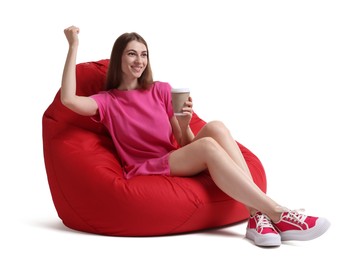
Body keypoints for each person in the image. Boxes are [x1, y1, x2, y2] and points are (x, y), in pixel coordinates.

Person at [60, 25, 330, 247]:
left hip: (173, 158)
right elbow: (69, 99)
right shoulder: (107, 101)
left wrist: (184, 121)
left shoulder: (162, 90)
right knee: (210, 146)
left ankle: (256, 216)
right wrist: (73, 46)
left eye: (144, 54)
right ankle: (279, 213)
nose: (139, 61)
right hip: (146, 168)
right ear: (119, 58)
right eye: (132, 54)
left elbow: (186, 142)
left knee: (216, 127)